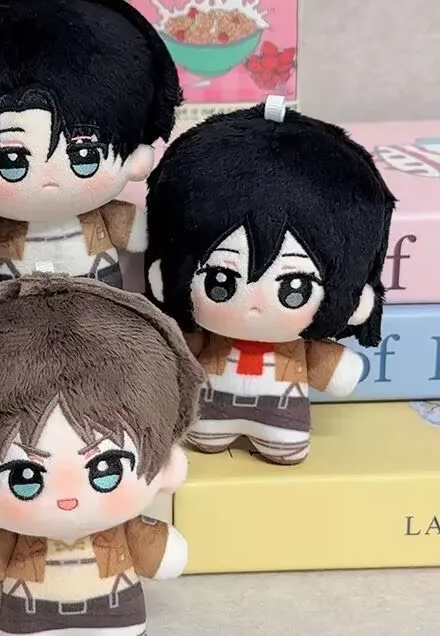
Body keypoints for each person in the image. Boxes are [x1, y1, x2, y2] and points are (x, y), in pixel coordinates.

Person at [0, 273, 203, 636]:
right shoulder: (13, 534)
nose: (68, 498)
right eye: (25, 477)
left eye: (105, 469)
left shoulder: (125, 531)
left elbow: (163, 556)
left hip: (114, 610)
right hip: (29, 614)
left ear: (167, 467)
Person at [146, 96, 396, 465]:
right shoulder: (204, 338)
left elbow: (336, 374)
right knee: (207, 431)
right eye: (220, 280)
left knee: (284, 439)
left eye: (294, 288)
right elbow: (176, 355)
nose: (255, 303)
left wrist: (336, 365)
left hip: (281, 415)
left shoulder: (300, 345)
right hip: (210, 413)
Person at [0, 0, 182, 287]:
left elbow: (139, 235)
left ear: (136, 161)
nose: (50, 178)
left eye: (84, 155)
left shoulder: (108, 215)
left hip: (97, 296)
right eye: (12, 161)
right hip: (12, 301)